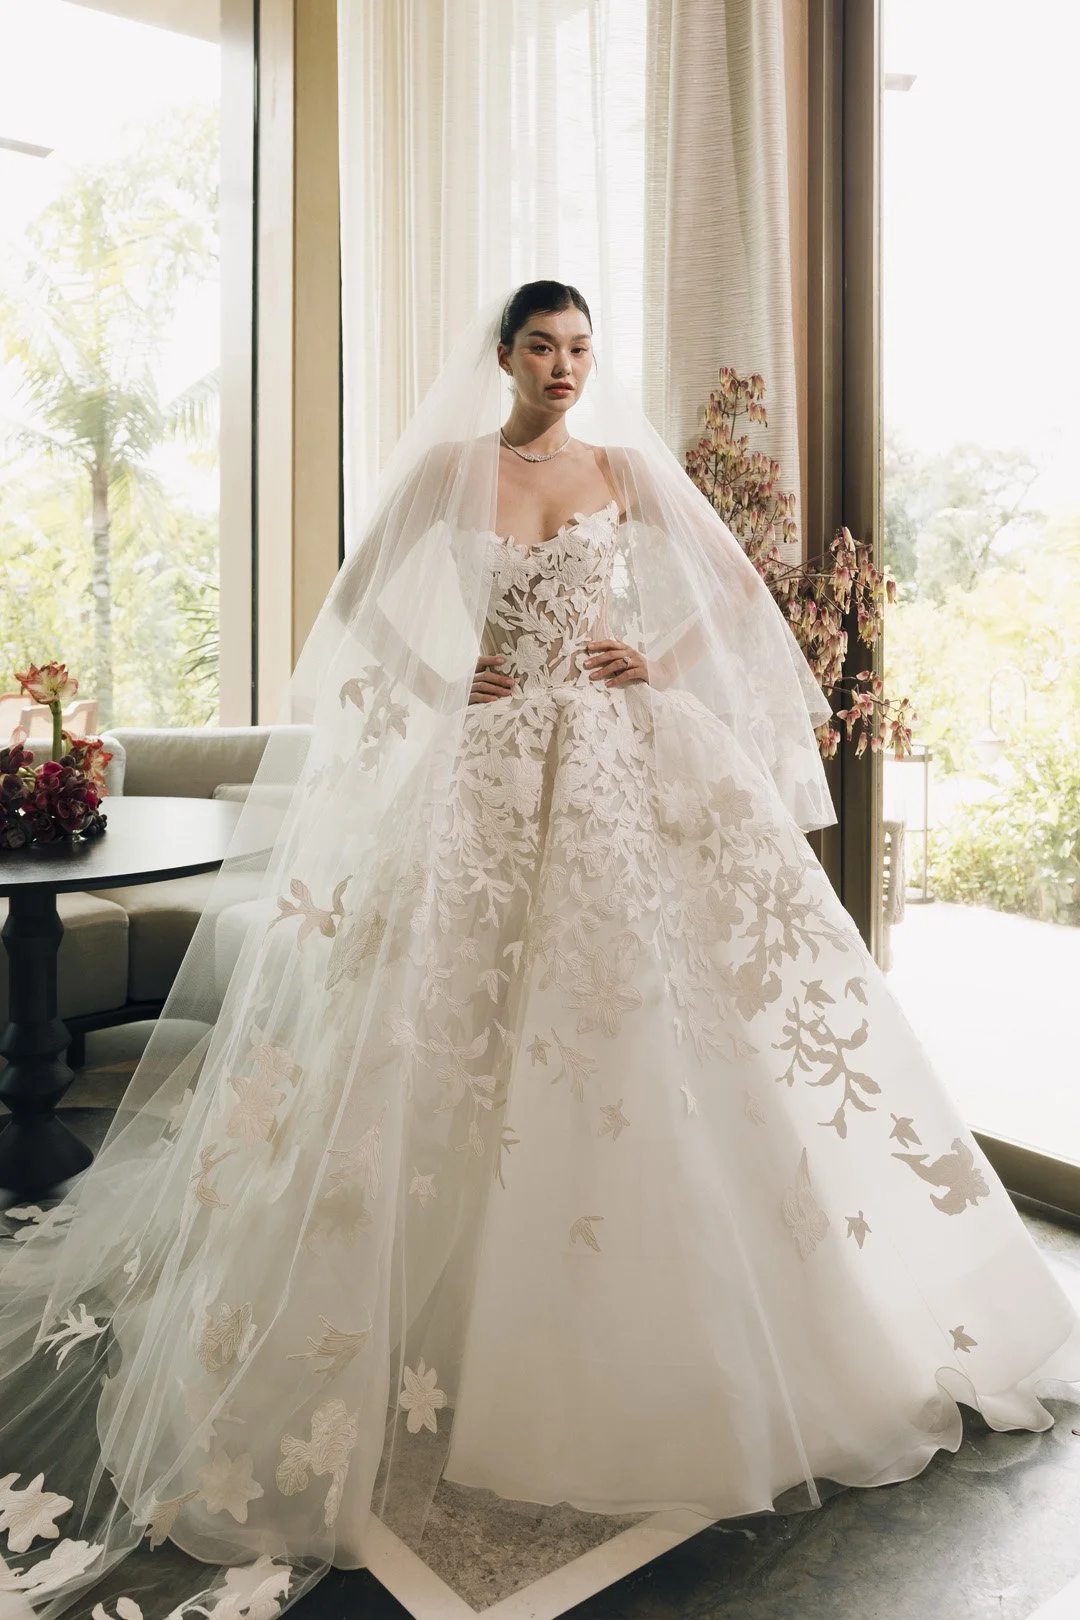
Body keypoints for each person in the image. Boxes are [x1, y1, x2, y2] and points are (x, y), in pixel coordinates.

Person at [1, 279, 1079, 1620]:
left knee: (658, 1016)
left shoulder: (627, 469)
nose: (565, 367)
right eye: (543, 348)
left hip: (627, 765)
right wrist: (442, 679)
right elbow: (360, 606)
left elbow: (743, 599)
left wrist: (657, 660)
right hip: (497, 768)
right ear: (502, 356)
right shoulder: (458, 469)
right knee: (455, 1026)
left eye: (580, 348)